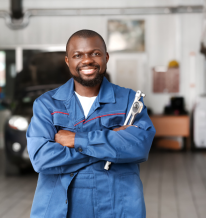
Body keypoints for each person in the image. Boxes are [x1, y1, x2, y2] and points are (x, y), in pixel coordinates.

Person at [27, 29, 156, 218]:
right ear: (68, 61)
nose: (87, 60)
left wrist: (77, 140)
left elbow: (138, 147)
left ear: (106, 57)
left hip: (118, 208)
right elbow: (41, 158)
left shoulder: (129, 100)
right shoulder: (47, 104)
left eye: (95, 53)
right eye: (77, 55)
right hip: (60, 210)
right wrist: (112, 143)